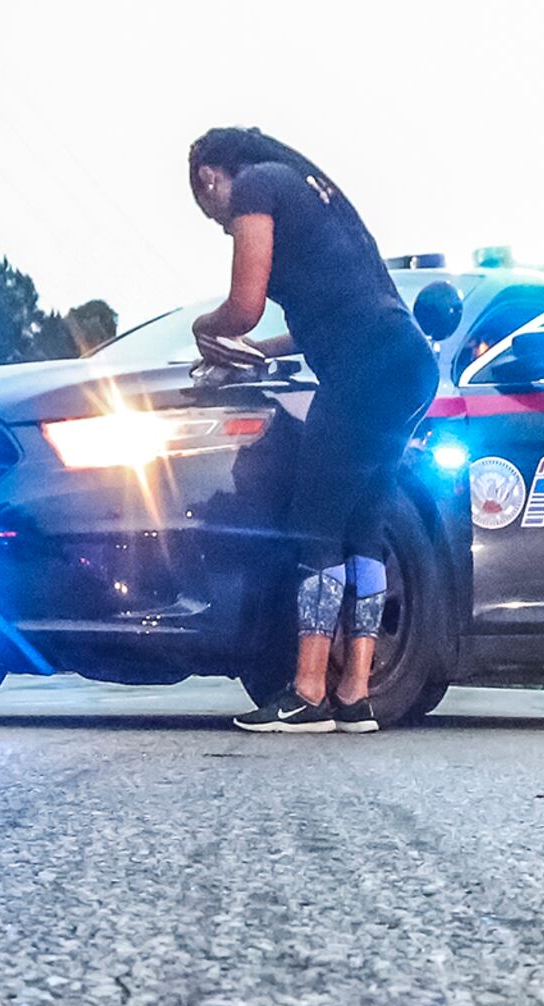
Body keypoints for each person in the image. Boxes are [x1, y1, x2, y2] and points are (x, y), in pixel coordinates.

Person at [182, 130, 439, 737]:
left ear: (208, 178)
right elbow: (331, 312)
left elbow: (242, 307)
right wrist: (261, 352)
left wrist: (206, 327)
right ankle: (354, 697)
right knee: (364, 530)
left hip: (364, 370)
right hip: (406, 364)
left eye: (210, 211)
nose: (221, 224)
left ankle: (306, 692)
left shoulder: (255, 185)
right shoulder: (309, 191)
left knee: (314, 525)